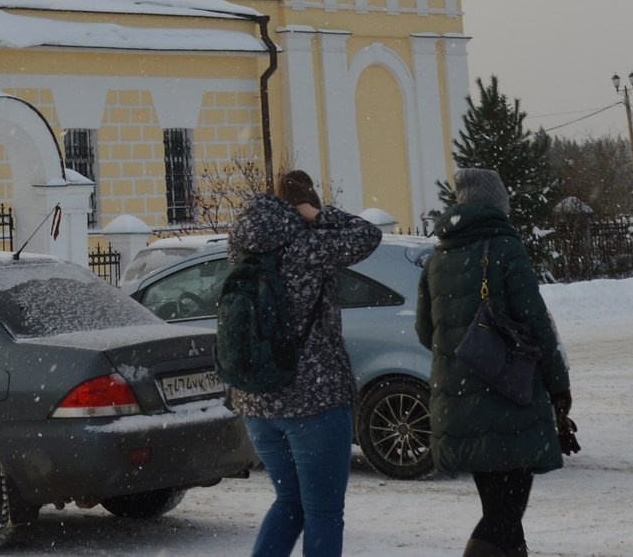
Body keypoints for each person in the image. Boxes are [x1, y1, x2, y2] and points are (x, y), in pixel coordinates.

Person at [417, 168, 574, 557]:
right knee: (504, 517)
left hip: (457, 403)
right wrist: (559, 385)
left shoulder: (437, 257)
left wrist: (463, 353)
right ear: (498, 205)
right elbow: (536, 323)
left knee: (502, 516)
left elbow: (425, 331)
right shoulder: (505, 249)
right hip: (508, 397)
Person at [227, 168, 381, 557]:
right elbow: (369, 234)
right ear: (304, 203)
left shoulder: (243, 246)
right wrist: (319, 215)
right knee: (323, 512)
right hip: (315, 402)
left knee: (289, 502)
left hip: (257, 402)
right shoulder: (307, 246)